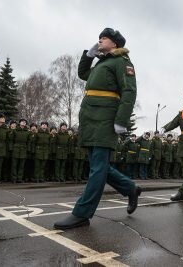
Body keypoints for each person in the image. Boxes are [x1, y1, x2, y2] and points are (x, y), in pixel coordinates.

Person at [54, 27, 141, 230]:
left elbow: (129, 91)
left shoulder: (122, 62)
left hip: (105, 120)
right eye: (99, 38)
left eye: (104, 39)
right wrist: (89, 55)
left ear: (115, 43)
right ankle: (130, 188)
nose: (100, 41)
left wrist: (121, 121)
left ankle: (82, 214)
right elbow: (83, 74)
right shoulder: (103, 62)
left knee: (98, 169)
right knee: (99, 166)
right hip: (91, 119)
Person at [10, 118, 30, 183]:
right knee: (14, 165)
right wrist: (11, 148)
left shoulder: (27, 131)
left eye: (25, 122)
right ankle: (14, 178)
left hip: (23, 149)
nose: (23, 123)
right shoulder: (15, 130)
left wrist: (28, 149)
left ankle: (19, 178)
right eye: (22, 122)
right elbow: (11, 140)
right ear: (19, 123)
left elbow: (29, 141)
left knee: (21, 165)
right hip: (16, 148)